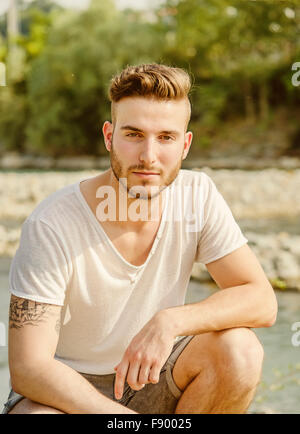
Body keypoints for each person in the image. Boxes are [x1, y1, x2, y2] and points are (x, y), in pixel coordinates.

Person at [3, 63, 277, 415]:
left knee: (240, 350)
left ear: (185, 144)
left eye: (166, 137)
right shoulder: (52, 224)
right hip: (65, 394)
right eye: (133, 135)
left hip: (152, 380)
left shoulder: (198, 196)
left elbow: (261, 301)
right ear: (108, 136)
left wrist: (170, 321)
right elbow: (29, 368)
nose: (149, 156)